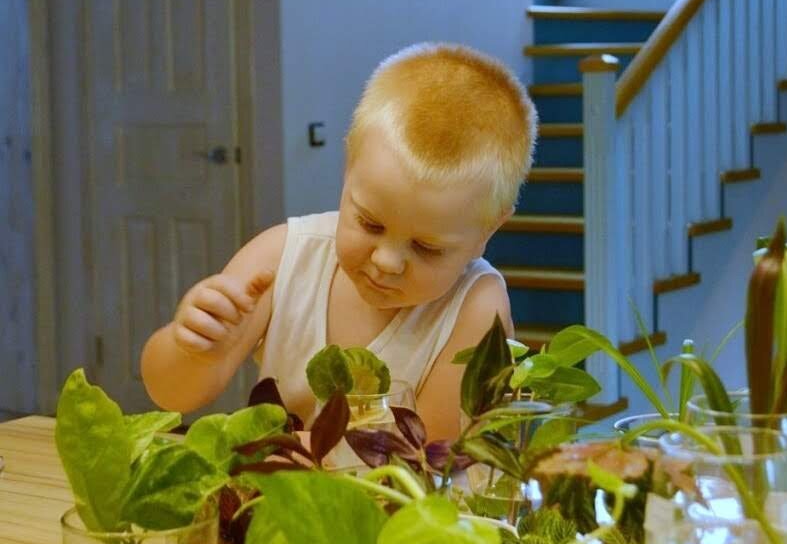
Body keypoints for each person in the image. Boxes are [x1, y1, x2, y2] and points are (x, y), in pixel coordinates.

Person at [141, 42, 538, 440]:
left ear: (488, 232)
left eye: (426, 247)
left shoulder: (476, 309)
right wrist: (192, 348)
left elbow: (431, 466)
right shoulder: (281, 256)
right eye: (369, 223)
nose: (386, 261)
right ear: (348, 167)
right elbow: (171, 395)